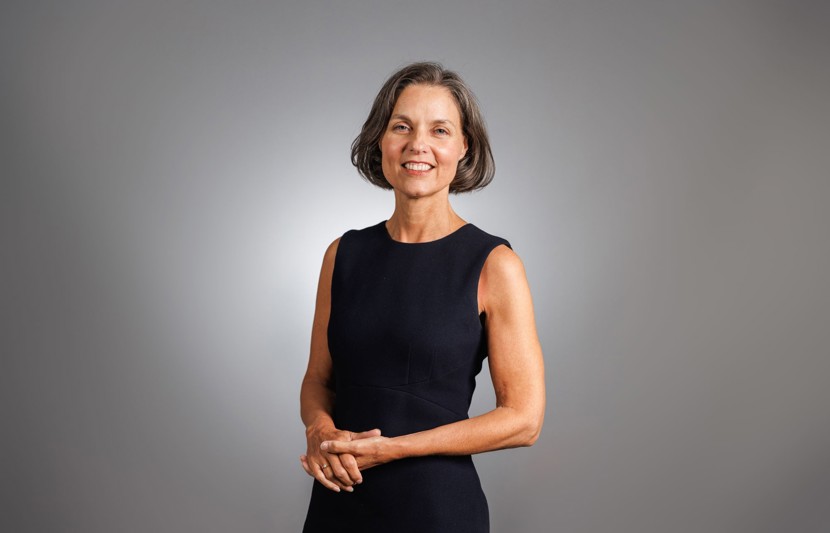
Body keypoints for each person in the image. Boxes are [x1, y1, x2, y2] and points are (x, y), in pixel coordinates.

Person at [299, 62, 545, 532]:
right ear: (380, 139)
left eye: (439, 130)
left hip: (436, 510)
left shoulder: (495, 265)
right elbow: (317, 380)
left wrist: (394, 449)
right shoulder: (342, 254)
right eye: (402, 127)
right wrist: (319, 430)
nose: (418, 145)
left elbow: (524, 420)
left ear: (464, 146)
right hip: (338, 505)